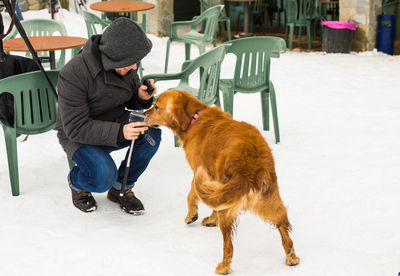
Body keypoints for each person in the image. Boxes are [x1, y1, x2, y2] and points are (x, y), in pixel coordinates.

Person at [56, 17, 161, 214]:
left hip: (114, 122)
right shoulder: (73, 73)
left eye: (136, 62)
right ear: (112, 57)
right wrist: (120, 132)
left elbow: (127, 96)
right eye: (129, 64)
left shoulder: (125, 62)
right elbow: (75, 127)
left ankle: (121, 186)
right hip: (78, 134)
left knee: (151, 136)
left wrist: (140, 97)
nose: (134, 68)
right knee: (102, 176)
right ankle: (77, 183)